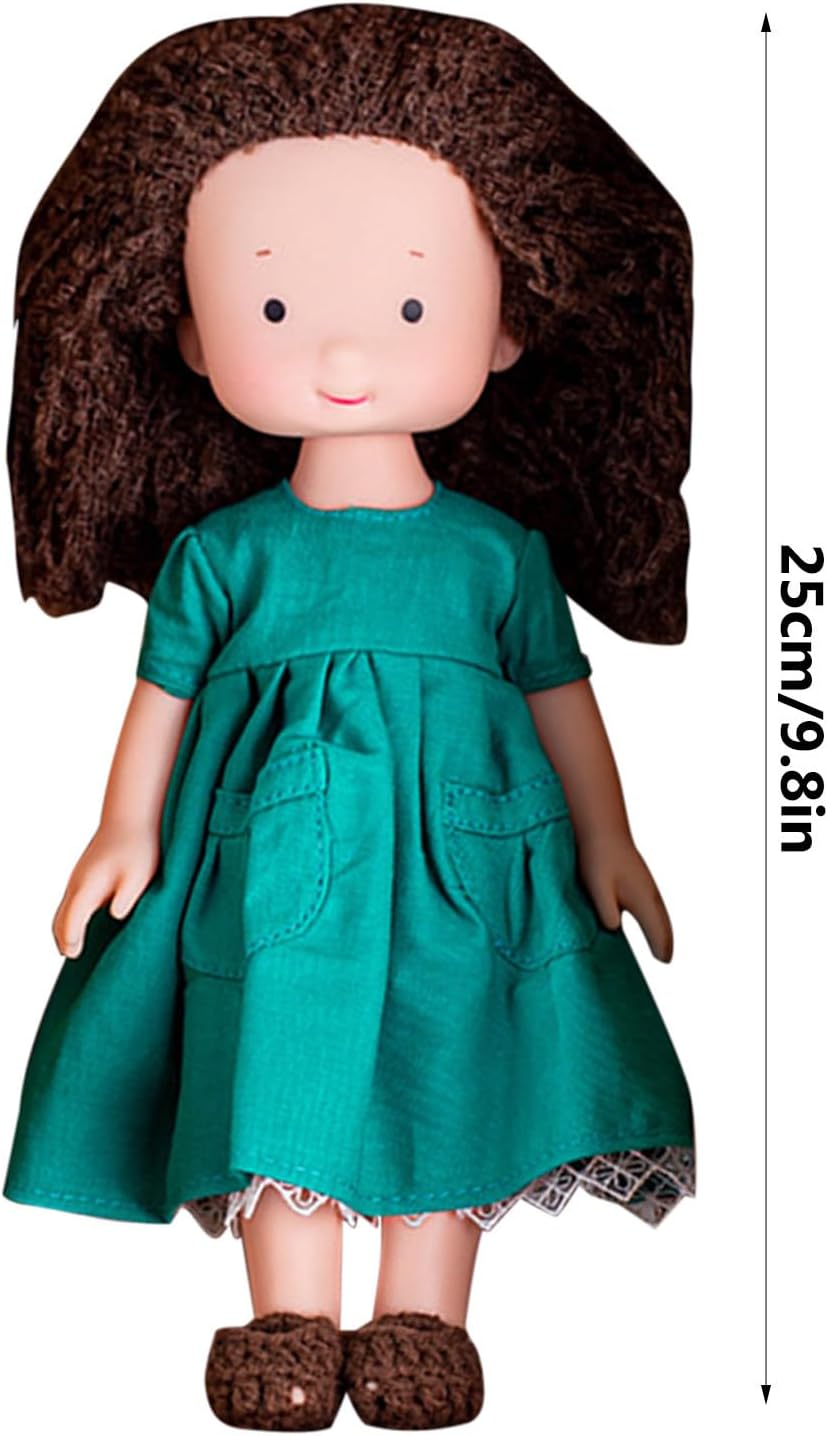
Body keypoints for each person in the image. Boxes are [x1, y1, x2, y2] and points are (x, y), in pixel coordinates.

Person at [4, 7, 695, 1429]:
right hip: (267, 869)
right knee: (280, 1050)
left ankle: (424, 1322)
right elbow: (161, 697)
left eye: (412, 308)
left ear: (507, 326)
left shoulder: (496, 555)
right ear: (192, 335)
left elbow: (561, 696)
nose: (338, 348)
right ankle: (288, 1319)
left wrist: (609, 840)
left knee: (461, 1048)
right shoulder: (223, 556)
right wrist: (123, 831)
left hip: (472, 865)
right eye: (269, 311)